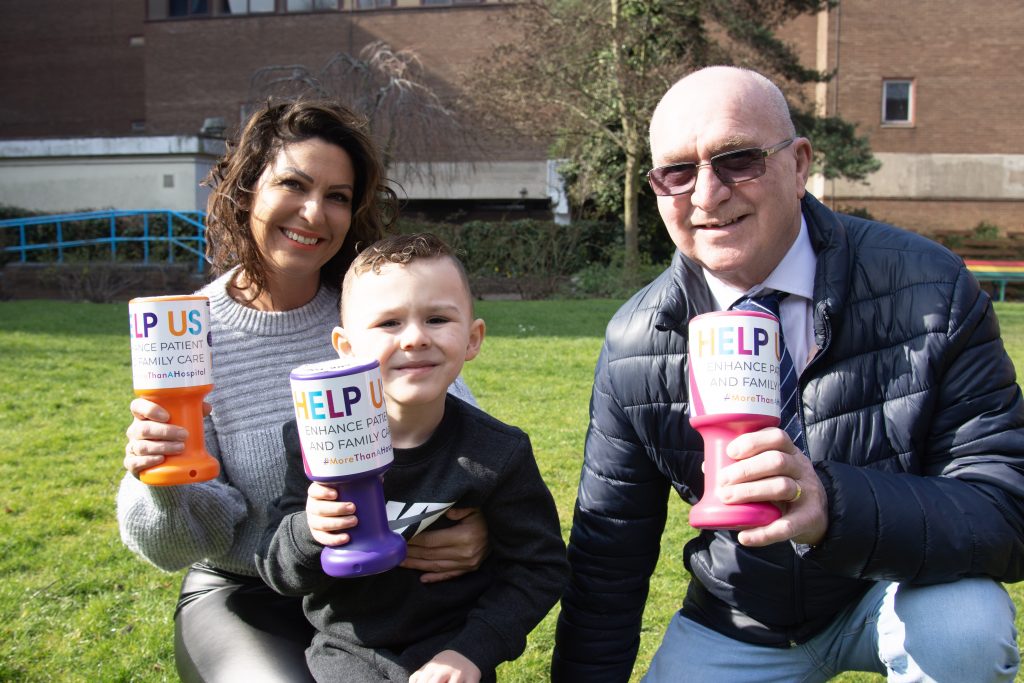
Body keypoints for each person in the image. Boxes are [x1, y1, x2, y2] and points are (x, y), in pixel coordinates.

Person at [551, 65, 1024, 682]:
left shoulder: (928, 287)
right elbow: (608, 556)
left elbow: (1005, 506)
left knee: (966, 630)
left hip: (901, 588)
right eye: (677, 173)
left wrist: (832, 505)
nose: (706, 194)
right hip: (744, 614)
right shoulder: (637, 339)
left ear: (800, 165)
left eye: (738, 160)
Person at [117, 100, 489, 683]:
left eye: (338, 196)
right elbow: (176, 549)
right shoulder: (186, 334)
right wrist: (161, 485)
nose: (315, 213)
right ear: (247, 191)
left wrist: (481, 527)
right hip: (248, 594)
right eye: (293, 184)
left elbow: (467, 443)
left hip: (380, 592)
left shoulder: (378, 317)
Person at [257, 232, 568, 683]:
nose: (415, 339)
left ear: (473, 338)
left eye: (438, 318)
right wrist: (310, 530)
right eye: (388, 324)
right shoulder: (315, 442)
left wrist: (471, 652)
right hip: (345, 657)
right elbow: (277, 569)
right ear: (345, 349)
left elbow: (538, 569)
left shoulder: (498, 453)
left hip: (453, 659)